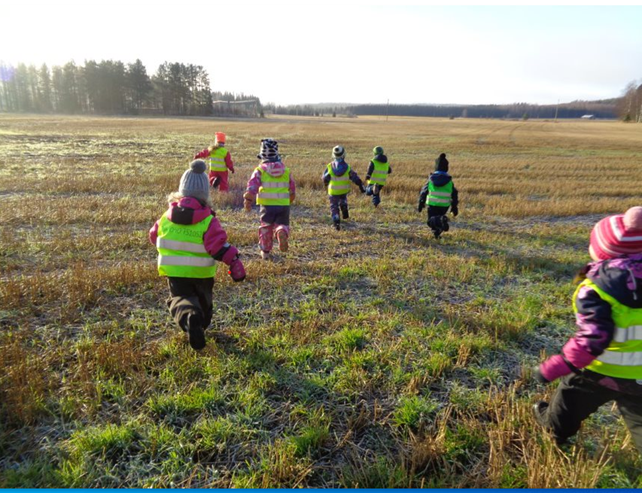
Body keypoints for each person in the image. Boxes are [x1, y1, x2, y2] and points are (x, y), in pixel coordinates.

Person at [533, 206, 642, 453]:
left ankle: (552, 429)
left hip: (599, 372)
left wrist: (559, 365)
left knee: (567, 403)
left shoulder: (596, 289)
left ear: (602, 252)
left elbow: (593, 339)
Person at [149, 160, 246, 350]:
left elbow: (153, 236)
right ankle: (199, 323)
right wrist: (234, 262)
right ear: (205, 195)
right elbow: (219, 247)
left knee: (180, 301)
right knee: (204, 307)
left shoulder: (165, 218)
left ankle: (189, 318)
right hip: (202, 274)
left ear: (180, 192)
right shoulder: (208, 221)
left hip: (175, 272)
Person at [243, 139, 296, 260]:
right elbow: (292, 189)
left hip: (267, 206)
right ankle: (281, 232)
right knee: (282, 224)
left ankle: (265, 252)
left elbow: (252, 186)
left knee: (266, 228)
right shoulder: (286, 170)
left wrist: (248, 200)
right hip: (283, 205)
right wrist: (290, 200)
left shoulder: (260, 170)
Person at [322, 145, 365, 230]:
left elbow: (325, 178)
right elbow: (355, 178)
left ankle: (336, 222)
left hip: (333, 191)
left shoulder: (330, 167)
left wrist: (326, 184)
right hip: (344, 189)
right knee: (342, 198)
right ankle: (344, 205)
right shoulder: (347, 167)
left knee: (334, 206)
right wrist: (360, 185)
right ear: (344, 154)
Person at [417, 153, 459, 239]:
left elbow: (424, 191)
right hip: (444, 206)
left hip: (432, 204)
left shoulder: (431, 180)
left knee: (430, 221)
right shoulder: (449, 181)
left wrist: (421, 203)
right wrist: (454, 207)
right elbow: (454, 194)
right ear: (446, 168)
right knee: (437, 220)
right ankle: (437, 232)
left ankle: (441, 222)